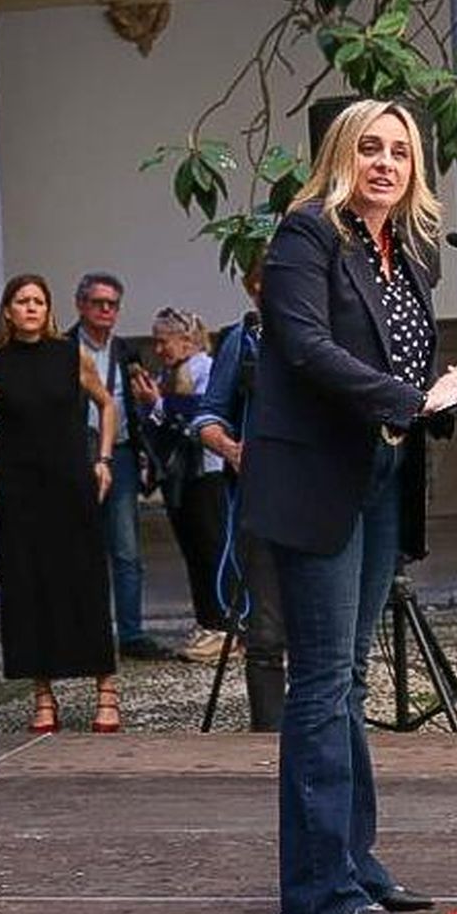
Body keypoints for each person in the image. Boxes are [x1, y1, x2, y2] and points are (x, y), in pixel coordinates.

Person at [239, 99, 457, 914]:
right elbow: (305, 348)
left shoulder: (404, 252)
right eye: (369, 148)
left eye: (400, 153)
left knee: (349, 676)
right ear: (341, 157)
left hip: (380, 473)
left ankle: (356, 864)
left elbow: (403, 356)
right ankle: (315, 888)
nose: (385, 163)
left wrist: (447, 388)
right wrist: (418, 397)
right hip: (317, 479)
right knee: (320, 681)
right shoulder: (308, 235)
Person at [0, 274, 121, 733]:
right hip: (18, 489)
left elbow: (106, 403)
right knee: (27, 587)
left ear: (49, 309)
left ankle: (106, 691)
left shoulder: (70, 354)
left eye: (39, 300)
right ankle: (43, 697)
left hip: (71, 483)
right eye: (23, 301)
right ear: (8, 310)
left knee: (85, 578)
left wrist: (102, 459)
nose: (32, 308)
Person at [191, 254, 287, 731]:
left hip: (323, 499)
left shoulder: (332, 330)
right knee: (266, 631)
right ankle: (269, 735)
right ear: (254, 288)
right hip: (262, 503)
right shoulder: (243, 340)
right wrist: (232, 450)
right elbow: (206, 417)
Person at [71, 272, 170, 661]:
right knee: (81, 548)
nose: (107, 311)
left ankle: (131, 633)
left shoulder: (125, 351)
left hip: (123, 454)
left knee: (127, 549)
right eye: (99, 303)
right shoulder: (63, 349)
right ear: (81, 305)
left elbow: (135, 403)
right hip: (77, 457)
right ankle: (84, 631)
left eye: (113, 304)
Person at [136, 307, 231, 663]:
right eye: (156, 342)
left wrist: (157, 403)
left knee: (212, 548)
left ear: (186, 340)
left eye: (164, 341)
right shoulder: (168, 374)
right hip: (178, 476)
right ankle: (206, 620)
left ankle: (224, 625)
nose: (159, 349)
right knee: (192, 550)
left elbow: (200, 416)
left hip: (207, 472)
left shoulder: (207, 369)